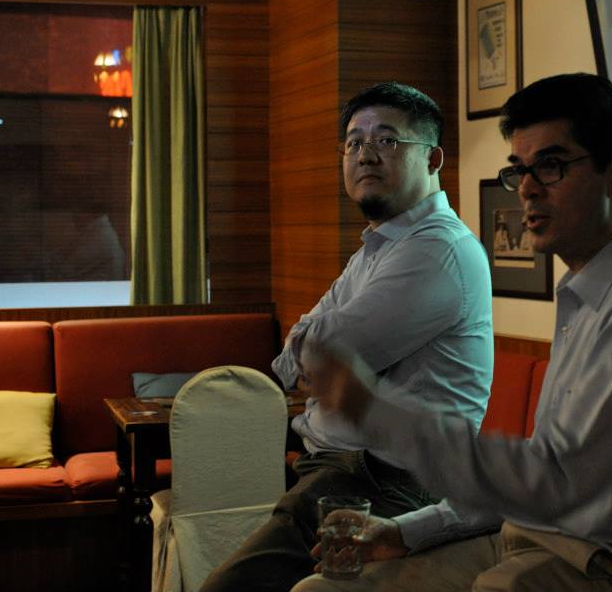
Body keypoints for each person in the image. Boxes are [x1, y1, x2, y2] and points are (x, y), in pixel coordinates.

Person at [293, 73, 612, 592]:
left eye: (551, 165)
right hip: (531, 541)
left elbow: (552, 484)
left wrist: (376, 412)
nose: (527, 188)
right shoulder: (586, 291)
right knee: (320, 587)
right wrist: (405, 532)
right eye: (519, 169)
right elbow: (542, 480)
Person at [200, 82, 494, 592]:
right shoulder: (378, 248)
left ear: (433, 159)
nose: (366, 155)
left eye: (387, 140)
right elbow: (293, 354)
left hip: (383, 481)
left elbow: (321, 355)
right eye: (354, 142)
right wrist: (307, 345)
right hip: (334, 469)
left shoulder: (436, 250)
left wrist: (309, 345)